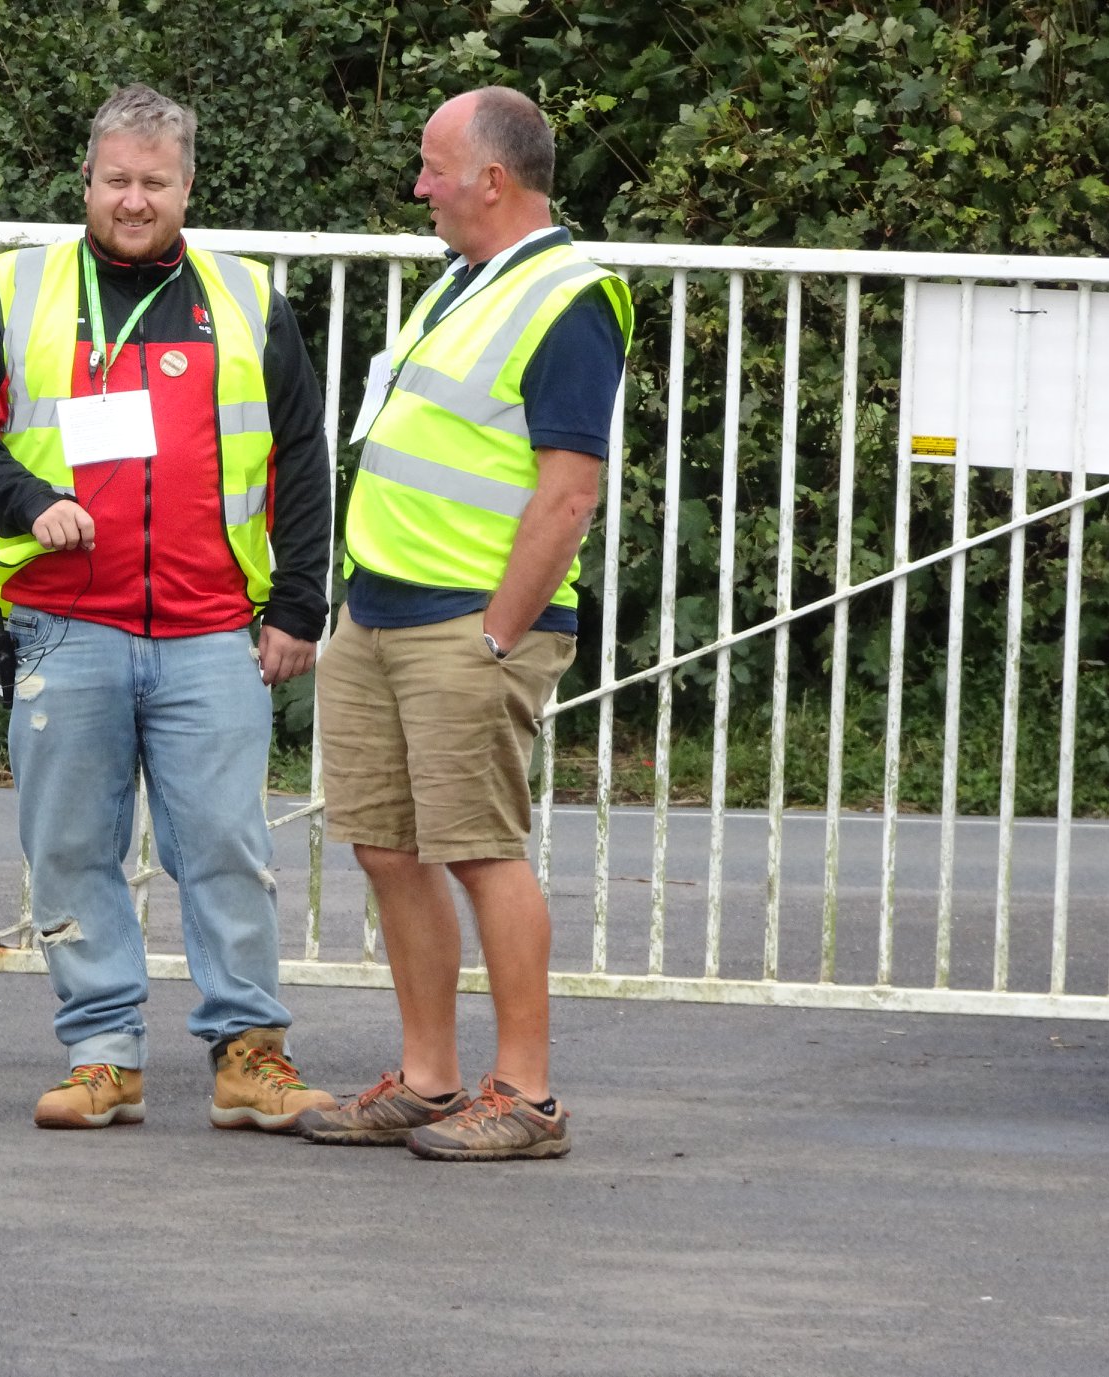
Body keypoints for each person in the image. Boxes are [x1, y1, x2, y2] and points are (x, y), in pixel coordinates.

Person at [0, 83, 336, 1134]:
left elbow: (301, 455)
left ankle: (250, 1056)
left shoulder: (248, 297)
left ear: (189, 186)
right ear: (87, 181)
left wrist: (298, 603)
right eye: (117, 180)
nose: (134, 200)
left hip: (211, 628)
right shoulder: (16, 289)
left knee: (229, 848)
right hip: (64, 623)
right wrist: (27, 501)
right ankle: (103, 1055)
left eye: (155, 181)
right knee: (70, 850)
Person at [298, 87, 633, 1161]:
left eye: (434, 168)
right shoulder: (463, 280)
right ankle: (430, 1078)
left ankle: (527, 1096)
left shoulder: (567, 297)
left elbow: (568, 495)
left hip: (465, 623)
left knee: (482, 852)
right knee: (389, 849)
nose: (420, 187)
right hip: (380, 610)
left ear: (492, 179)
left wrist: (497, 634)